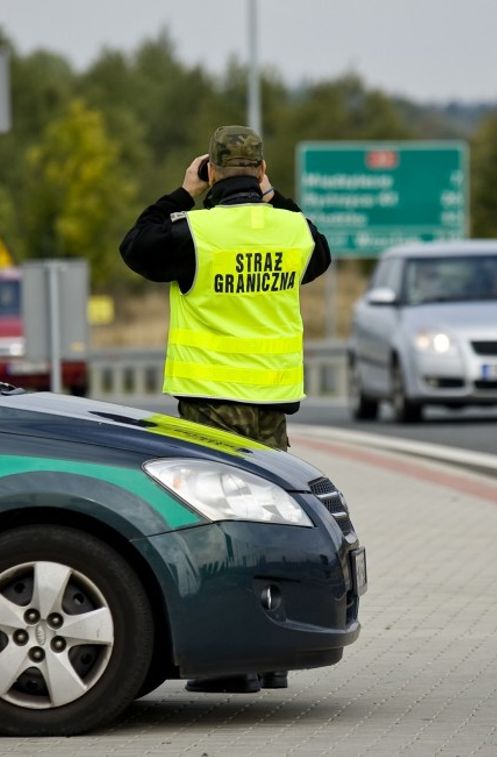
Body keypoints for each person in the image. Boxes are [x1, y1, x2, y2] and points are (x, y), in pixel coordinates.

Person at [119, 125, 331, 694]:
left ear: (210, 170)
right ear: (260, 172)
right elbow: (320, 254)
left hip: (213, 404)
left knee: (220, 529)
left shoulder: (194, 232)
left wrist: (183, 193)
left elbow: (135, 246)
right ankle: (273, 655)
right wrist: (274, 197)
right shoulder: (293, 229)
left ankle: (232, 664)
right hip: (272, 409)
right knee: (273, 522)